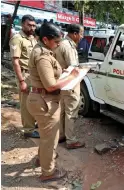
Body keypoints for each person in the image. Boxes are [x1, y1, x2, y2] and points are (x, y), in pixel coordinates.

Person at [27, 22, 79, 182]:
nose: (58, 45)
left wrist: (62, 73)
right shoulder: (42, 56)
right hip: (44, 102)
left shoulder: (44, 50)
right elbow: (50, 86)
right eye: (56, 42)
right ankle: (48, 172)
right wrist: (71, 77)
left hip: (41, 100)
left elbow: (49, 75)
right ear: (45, 39)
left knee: (46, 134)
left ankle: (41, 159)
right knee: (50, 137)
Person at [54, 24, 85, 149]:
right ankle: (71, 140)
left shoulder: (61, 43)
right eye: (82, 34)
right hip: (70, 83)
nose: (82, 37)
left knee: (62, 111)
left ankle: (61, 135)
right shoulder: (69, 46)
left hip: (61, 83)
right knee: (71, 112)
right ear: (75, 34)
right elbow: (73, 68)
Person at [9, 15, 39, 138]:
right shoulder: (17, 38)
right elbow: (15, 61)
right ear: (22, 24)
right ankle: (28, 130)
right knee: (26, 102)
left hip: (34, 74)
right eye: (29, 25)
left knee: (34, 101)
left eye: (34, 25)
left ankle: (32, 123)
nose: (32, 27)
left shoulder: (32, 38)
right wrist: (21, 81)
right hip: (24, 74)